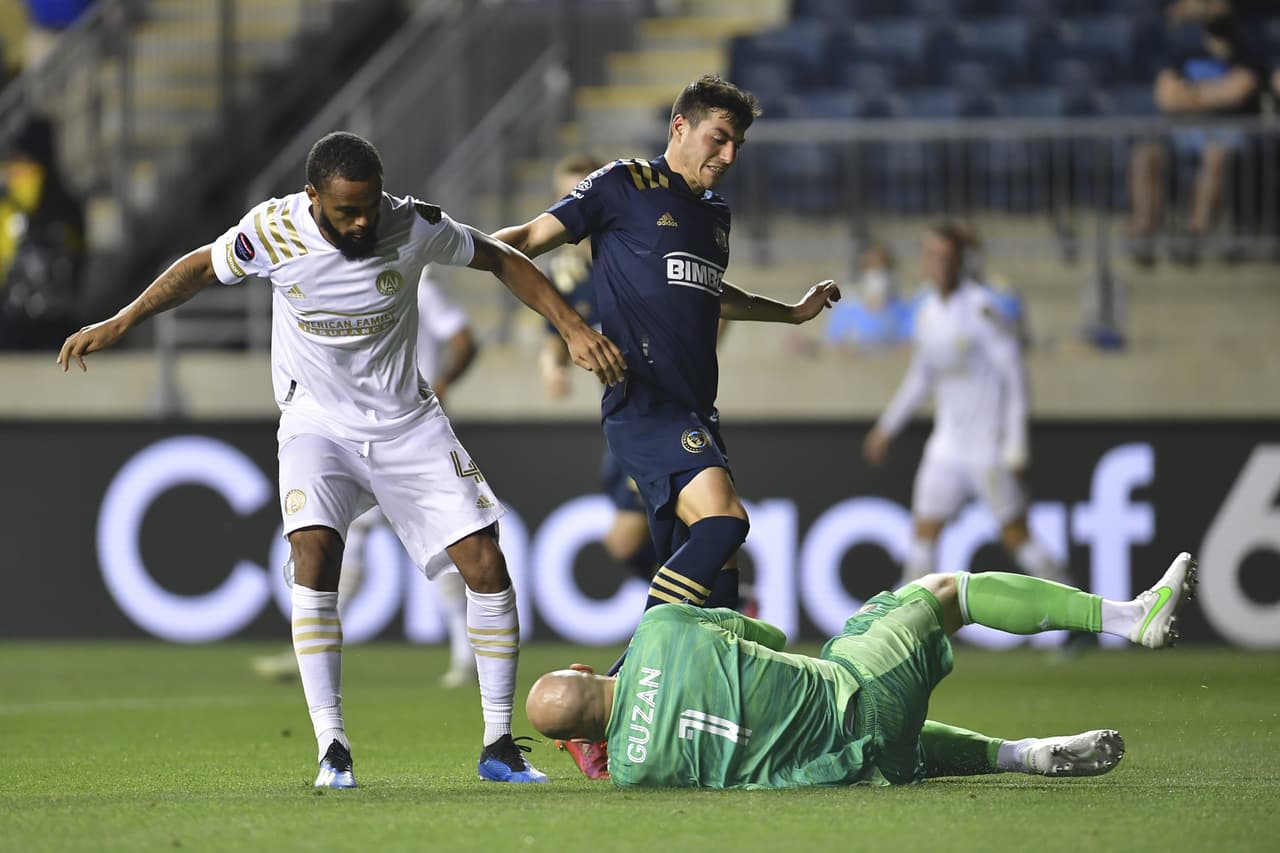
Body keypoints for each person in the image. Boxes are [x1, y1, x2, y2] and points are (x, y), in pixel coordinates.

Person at [58, 131, 626, 788]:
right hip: (316, 424)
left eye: (368, 207)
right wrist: (125, 320)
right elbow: (198, 267)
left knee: (487, 563)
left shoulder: (411, 225)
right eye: (345, 211)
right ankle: (333, 746)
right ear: (312, 198)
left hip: (407, 422)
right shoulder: (271, 231)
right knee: (314, 555)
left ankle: (499, 743)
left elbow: (500, 258)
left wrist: (573, 327)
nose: (361, 222)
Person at [493, 75, 839, 776]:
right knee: (725, 522)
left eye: (738, 143)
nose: (730, 154)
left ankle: (643, 736)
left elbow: (715, 293)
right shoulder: (621, 185)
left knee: (718, 605)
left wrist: (792, 314)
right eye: (719, 137)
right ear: (679, 126)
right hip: (643, 405)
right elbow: (517, 242)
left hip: (695, 412)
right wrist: (569, 327)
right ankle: (619, 683)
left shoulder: (714, 215)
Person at [525, 552, 1196, 788]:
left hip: (854, 768)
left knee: (881, 740)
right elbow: (771, 632)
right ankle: (1129, 615)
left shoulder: (638, 771)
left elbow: (633, 745)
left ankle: (1019, 754)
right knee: (945, 593)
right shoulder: (659, 628)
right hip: (856, 690)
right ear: (584, 665)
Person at [863, 223, 1093, 654]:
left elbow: (1015, 377)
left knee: (1016, 538)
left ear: (960, 261)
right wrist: (886, 428)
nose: (937, 264)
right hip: (945, 448)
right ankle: (913, 637)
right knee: (922, 536)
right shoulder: (927, 311)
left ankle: (1080, 617)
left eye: (945, 256)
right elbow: (920, 377)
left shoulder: (983, 308)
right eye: (931, 255)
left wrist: (1015, 445)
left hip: (987, 449)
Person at [250, 268, 482, 689]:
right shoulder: (347, 274)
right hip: (354, 435)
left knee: (446, 543)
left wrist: (438, 386)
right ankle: (312, 645)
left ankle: (467, 655)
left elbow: (464, 341)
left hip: (406, 436)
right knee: (348, 540)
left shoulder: (417, 279)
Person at [538, 154, 659, 588]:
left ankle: (713, 604)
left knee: (626, 540)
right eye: (562, 198)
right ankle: (725, 600)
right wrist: (552, 366)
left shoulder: (640, 247)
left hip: (659, 406)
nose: (569, 210)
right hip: (621, 413)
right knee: (675, 526)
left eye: (578, 197)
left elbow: (712, 301)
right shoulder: (566, 268)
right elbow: (556, 332)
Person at [1128, 7, 1265, 266]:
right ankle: (1145, 232)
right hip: (1185, 134)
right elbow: (1167, 98)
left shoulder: (1248, 56)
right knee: (1145, 155)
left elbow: (1237, 92)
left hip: (1230, 136)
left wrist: (1190, 93)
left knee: (1216, 153)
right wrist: (1214, 94)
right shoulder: (1185, 54)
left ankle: (1195, 235)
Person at [1, 116, 85, 349]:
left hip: (18, 324)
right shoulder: (69, 203)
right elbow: (79, 263)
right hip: (53, 324)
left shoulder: (9, 200)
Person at [823, 241, 911, 355]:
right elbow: (831, 347)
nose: (876, 274)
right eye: (871, 266)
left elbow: (908, 346)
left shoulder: (904, 311)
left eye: (882, 267)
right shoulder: (845, 309)